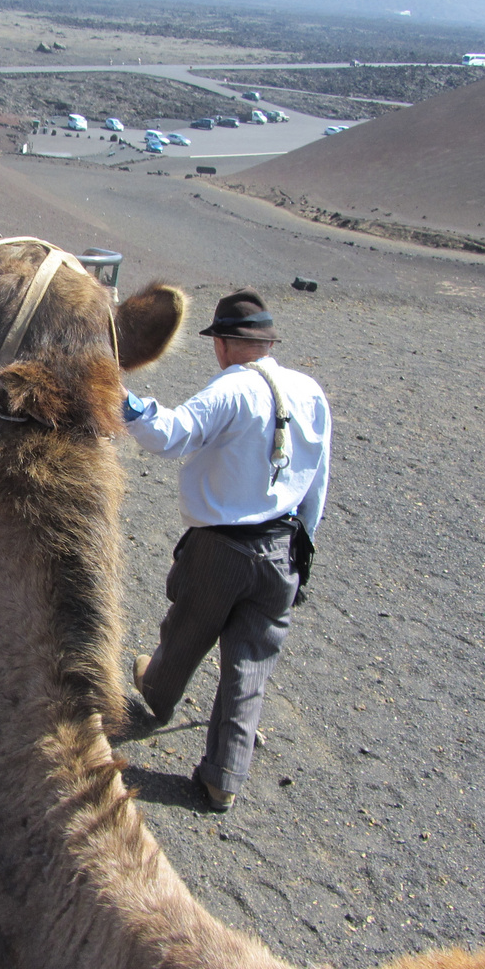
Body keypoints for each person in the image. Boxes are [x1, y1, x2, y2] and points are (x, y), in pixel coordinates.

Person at [122, 287, 331, 811]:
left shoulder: (231, 389)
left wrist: (124, 402)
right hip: (284, 546)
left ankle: (158, 694)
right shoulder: (310, 392)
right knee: (250, 662)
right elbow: (317, 483)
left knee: (188, 627)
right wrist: (302, 551)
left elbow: (170, 436)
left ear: (224, 343)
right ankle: (224, 778)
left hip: (221, 545)